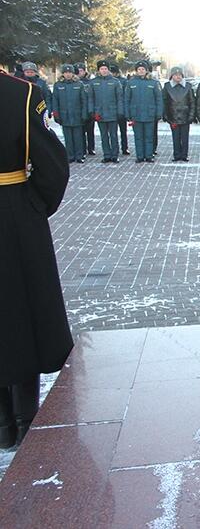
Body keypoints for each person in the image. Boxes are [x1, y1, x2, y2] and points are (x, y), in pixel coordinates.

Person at [0, 68, 72, 448]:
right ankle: (24, 416)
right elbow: (52, 163)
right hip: (13, 215)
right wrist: (33, 206)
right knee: (20, 312)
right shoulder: (21, 93)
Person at [124, 60, 162, 163]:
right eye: (139, 69)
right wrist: (127, 113)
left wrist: (159, 113)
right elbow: (127, 99)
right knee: (138, 137)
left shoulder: (153, 83)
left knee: (149, 136)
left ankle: (149, 156)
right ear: (136, 71)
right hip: (136, 114)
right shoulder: (131, 83)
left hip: (150, 114)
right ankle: (140, 156)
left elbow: (159, 99)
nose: (141, 71)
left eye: (143, 69)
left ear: (146, 71)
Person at [88, 60, 124, 163]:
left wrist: (120, 111)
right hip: (100, 113)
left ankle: (114, 155)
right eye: (101, 69)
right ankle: (106, 155)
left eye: (105, 69)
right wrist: (91, 111)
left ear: (108, 70)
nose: (104, 71)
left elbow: (119, 98)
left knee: (113, 135)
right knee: (103, 135)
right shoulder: (93, 83)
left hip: (113, 113)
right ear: (98, 70)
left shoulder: (115, 82)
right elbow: (91, 98)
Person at [51, 64, 88, 163]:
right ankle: (70, 156)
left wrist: (84, 114)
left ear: (73, 73)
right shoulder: (58, 85)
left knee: (78, 137)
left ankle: (79, 156)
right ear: (63, 74)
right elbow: (55, 101)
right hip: (64, 115)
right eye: (66, 72)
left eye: (70, 72)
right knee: (68, 137)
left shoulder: (79, 84)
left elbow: (84, 100)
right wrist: (56, 114)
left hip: (77, 114)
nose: (68, 74)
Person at [162, 66, 195, 162]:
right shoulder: (167, 86)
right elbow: (164, 101)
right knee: (175, 137)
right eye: (175, 75)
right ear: (172, 76)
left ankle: (184, 155)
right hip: (173, 116)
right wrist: (166, 115)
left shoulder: (188, 86)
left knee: (185, 138)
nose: (178, 77)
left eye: (179, 75)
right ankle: (176, 155)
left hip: (185, 116)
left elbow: (192, 101)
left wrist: (191, 115)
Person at [109, 64, 130, 155]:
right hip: (112, 109)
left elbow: (126, 95)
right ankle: (114, 148)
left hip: (121, 109)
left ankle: (124, 147)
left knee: (123, 131)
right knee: (113, 132)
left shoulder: (123, 81)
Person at [75, 63, 95, 157]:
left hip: (89, 109)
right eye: (78, 71)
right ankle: (82, 149)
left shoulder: (89, 82)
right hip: (78, 110)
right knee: (80, 131)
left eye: (81, 70)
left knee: (90, 131)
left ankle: (91, 148)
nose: (80, 72)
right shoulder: (74, 83)